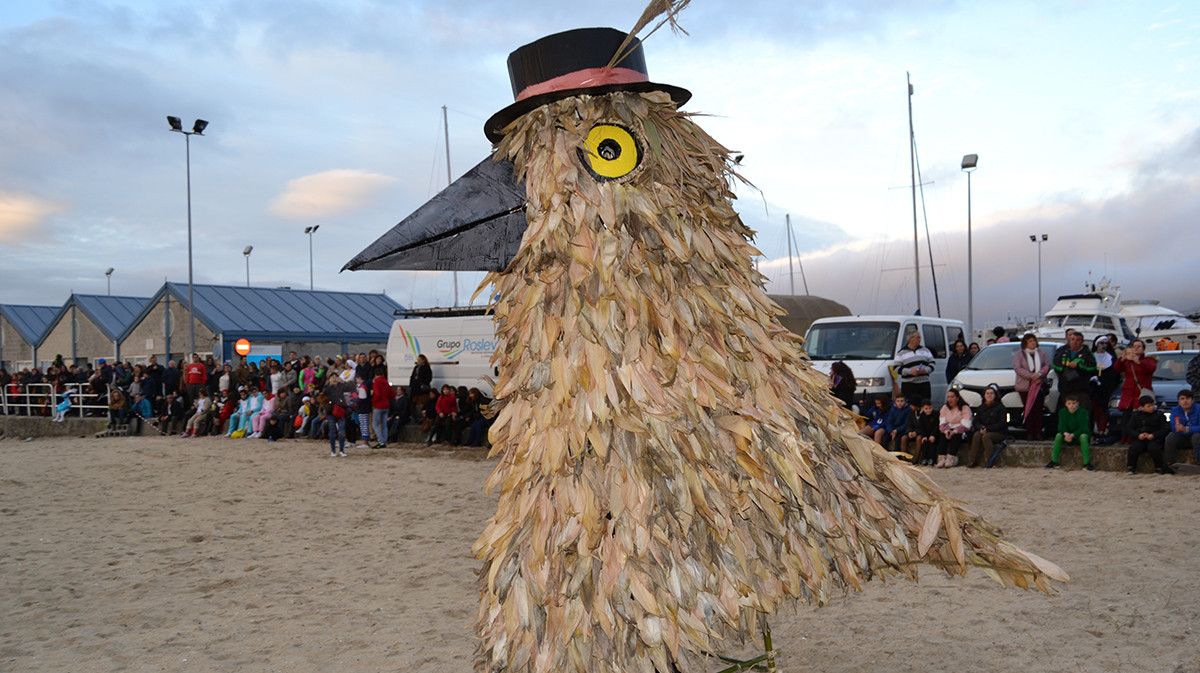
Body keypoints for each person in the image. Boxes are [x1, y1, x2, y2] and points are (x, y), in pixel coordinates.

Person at [1115, 339, 1157, 439]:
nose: (1136, 348)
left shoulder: (1148, 360)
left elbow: (1150, 369)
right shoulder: (1128, 361)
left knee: (1139, 417)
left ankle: (1138, 437)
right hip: (1128, 394)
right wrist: (1122, 358)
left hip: (1141, 394)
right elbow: (1117, 368)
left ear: (1143, 349)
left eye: (1139, 346)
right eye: (1134, 346)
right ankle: (1125, 438)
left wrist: (1137, 361)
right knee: (1126, 417)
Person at [1013, 334, 1050, 440]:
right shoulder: (1019, 355)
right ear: (1025, 343)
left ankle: (1038, 432)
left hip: (1038, 385)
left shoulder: (1041, 353)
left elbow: (1047, 365)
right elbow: (1017, 368)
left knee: (1038, 410)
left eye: (1034, 340)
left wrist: (1039, 374)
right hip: (1025, 387)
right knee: (1028, 409)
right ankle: (1029, 432)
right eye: (1030, 341)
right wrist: (1031, 376)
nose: (1033, 342)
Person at [1053, 330, 1097, 412]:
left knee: (1082, 415)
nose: (1075, 342)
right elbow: (1055, 365)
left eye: (1078, 340)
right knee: (1066, 415)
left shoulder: (1087, 353)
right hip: (1066, 390)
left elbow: (1093, 368)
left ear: (1082, 341)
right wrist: (1065, 366)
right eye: (1072, 339)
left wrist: (1079, 365)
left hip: (1081, 390)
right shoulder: (1062, 351)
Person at [1126, 395, 1171, 474]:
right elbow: (1129, 428)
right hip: (1141, 438)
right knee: (1135, 447)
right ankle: (1131, 467)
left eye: (1152, 405)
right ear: (1142, 407)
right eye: (1148, 406)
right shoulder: (1136, 415)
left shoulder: (1159, 415)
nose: (1151, 407)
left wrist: (1154, 435)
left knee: (1153, 448)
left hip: (1155, 438)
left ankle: (1159, 468)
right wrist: (1138, 435)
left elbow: (1165, 429)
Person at [1047, 394, 1093, 470]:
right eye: (1069, 403)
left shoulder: (1083, 412)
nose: (1071, 405)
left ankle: (1087, 463)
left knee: (1084, 436)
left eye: (1074, 403)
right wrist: (1065, 433)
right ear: (1066, 404)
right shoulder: (1062, 412)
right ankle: (1054, 462)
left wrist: (1073, 435)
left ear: (1078, 403)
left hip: (1078, 436)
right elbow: (1061, 426)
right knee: (1058, 435)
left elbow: (1084, 428)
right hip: (1067, 436)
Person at [967, 385, 1008, 468]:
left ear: (995, 395)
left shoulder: (1001, 408)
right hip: (984, 430)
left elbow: (1002, 423)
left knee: (986, 436)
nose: (989, 395)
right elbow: (976, 421)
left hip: (999, 432)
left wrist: (987, 429)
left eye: (991, 393)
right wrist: (980, 428)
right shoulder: (981, 408)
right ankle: (972, 461)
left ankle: (990, 461)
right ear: (984, 395)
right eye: (987, 393)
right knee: (976, 435)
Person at [1090, 336, 1120, 441]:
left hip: (1107, 389)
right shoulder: (1091, 356)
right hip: (1093, 389)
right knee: (1094, 410)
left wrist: (1104, 380)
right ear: (1096, 344)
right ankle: (1095, 430)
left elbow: (1115, 374)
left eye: (1105, 343)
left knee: (1105, 411)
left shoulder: (1111, 357)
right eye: (1101, 343)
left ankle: (1103, 430)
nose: (1103, 345)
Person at [894, 332, 934, 404]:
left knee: (925, 405)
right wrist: (909, 371)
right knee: (910, 406)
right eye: (917, 337)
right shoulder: (901, 353)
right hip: (909, 385)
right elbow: (896, 368)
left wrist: (925, 370)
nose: (919, 339)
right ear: (910, 339)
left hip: (924, 384)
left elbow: (932, 363)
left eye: (920, 337)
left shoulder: (925, 350)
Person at [1163, 389, 1200, 466]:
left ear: (1192, 400)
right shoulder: (1175, 410)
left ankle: (1198, 463)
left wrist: (1188, 429)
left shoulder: (1198, 409)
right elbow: (1173, 427)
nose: (1185, 401)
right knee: (1170, 437)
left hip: (1196, 438)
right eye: (1182, 399)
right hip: (1182, 438)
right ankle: (1170, 464)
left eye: (1188, 398)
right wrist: (1177, 427)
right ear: (1179, 401)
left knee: (1197, 436)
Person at [937, 389, 972, 468]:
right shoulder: (945, 407)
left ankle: (951, 458)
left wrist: (955, 431)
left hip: (962, 430)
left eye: (952, 397)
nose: (950, 399)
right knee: (942, 435)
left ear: (957, 398)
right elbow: (942, 422)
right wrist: (946, 431)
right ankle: (941, 458)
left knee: (956, 435)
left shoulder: (964, 408)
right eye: (948, 397)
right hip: (948, 428)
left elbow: (966, 424)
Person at [907, 399, 939, 466]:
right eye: (926, 408)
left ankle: (932, 459)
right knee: (924, 444)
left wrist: (933, 435)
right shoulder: (922, 416)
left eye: (930, 408)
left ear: (932, 407)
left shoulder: (936, 414)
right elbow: (922, 427)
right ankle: (925, 458)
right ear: (922, 409)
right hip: (926, 434)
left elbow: (936, 426)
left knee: (932, 445)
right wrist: (924, 436)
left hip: (934, 434)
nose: (928, 410)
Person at [371, 366, 395, 449]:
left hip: (378, 405)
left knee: (375, 425)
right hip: (386, 405)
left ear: (375, 374)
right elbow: (392, 394)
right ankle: (384, 441)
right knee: (384, 425)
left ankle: (381, 442)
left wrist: (373, 401)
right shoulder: (386, 381)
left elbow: (377, 394)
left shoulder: (376, 382)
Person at [353, 373, 372, 448]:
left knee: (364, 425)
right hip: (365, 407)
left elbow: (362, 398)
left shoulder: (362, 386)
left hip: (362, 408)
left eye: (357, 379)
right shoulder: (365, 385)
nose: (356, 380)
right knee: (364, 424)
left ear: (359, 378)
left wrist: (355, 399)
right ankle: (365, 441)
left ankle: (365, 442)